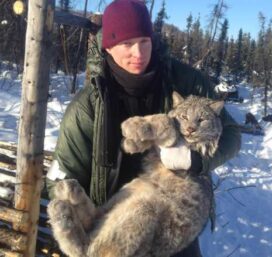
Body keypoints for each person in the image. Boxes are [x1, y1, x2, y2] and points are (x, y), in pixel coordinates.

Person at [46, 0, 241, 256]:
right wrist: (74, 208)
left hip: (175, 213)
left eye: (144, 42)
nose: (138, 54)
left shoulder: (186, 81)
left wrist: (196, 161)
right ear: (109, 47)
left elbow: (232, 135)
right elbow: (62, 175)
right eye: (127, 44)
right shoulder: (86, 107)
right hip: (118, 213)